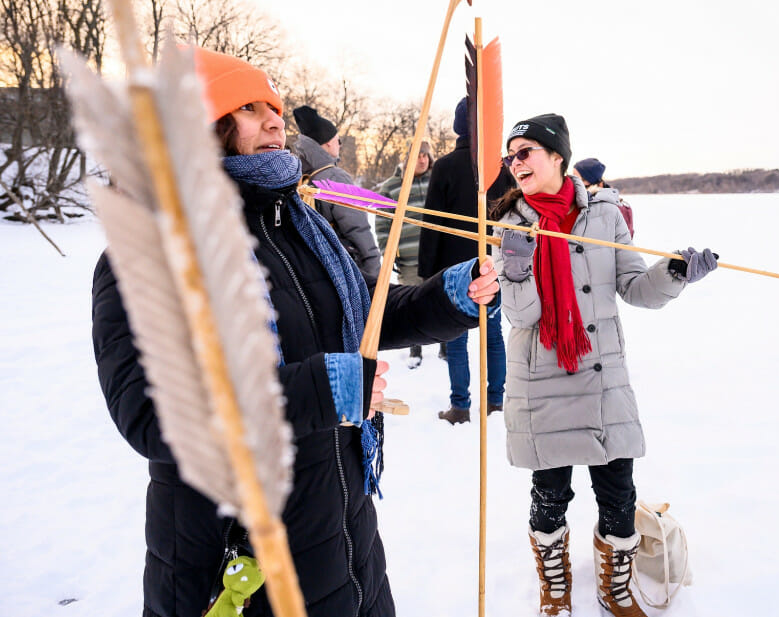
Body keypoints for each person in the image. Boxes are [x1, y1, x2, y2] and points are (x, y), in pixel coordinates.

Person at [91, 46, 499, 617]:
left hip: (342, 526)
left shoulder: (300, 223)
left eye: (272, 105)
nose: (275, 119)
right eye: (249, 108)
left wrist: (453, 293)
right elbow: (150, 414)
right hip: (238, 560)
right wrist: (320, 390)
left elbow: (364, 320)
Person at [491, 113, 717, 617]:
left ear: (557, 157)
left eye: (525, 151)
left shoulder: (606, 215)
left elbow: (636, 289)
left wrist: (674, 272)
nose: (515, 162)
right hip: (541, 377)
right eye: (510, 155)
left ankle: (614, 587)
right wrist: (516, 268)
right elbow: (522, 314)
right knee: (550, 493)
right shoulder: (509, 225)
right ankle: (555, 586)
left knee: (618, 492)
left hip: (599, 373)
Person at [418, 97, 517, 424]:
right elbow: (430, 222)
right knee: (491, 336)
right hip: (490, 268)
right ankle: (493, 401)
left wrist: (427, 274)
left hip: (457, 271)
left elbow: (430, 230)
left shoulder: (447, 166)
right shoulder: (501, 169)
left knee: (458, 339)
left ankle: (463, 406)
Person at [292, 104, 382, 278]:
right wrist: (373, 266)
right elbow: (357, 228)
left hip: (307, 270)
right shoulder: (334, 178)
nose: (339, 145)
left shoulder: (295, 174)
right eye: (337, 140)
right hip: (343, 270)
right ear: (327, 143)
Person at [374, 140, 433, 369]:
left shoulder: (436, 181)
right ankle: (415, 350)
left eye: (426, 155)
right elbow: (381, 223)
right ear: (407, 158)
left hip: (436, 255)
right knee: (413, 302)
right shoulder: (391, 186)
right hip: (408, 258)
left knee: (442, 299)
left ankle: (446, 348)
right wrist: (388, 252)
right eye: (417, 155)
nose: (422, 160)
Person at [573, 157, 634, 239]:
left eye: (581, 180)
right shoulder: (573, 200)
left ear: (596, 184)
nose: (574, 182)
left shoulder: (619, 208)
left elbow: (625, 240)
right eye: (573, 177)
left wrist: (587, 195)